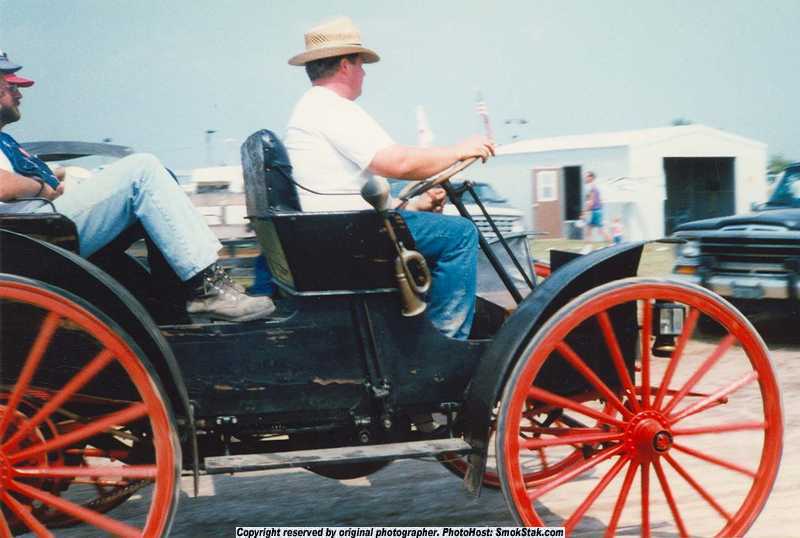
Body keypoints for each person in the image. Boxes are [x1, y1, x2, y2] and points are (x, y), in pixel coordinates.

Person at [0, 50, 274, 322]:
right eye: (11, 84)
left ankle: (175, 298)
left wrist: (57, 175)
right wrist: (41, 188)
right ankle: (206, 288)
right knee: (142, 171)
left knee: (157, 175)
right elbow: (4, 185)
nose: (20, 93)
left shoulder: (5, 140)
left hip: (39, 228)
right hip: (32, 238)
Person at [284, 17, 495, 340]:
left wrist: (419, 200)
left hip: (334, 229)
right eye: (361, 64)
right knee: (461, 235)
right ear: (345, 65)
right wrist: (458, 151)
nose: (364, 72)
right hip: (351, 232)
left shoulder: (311, 108)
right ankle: (446, 342)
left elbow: (358, 184)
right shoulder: (332, 109)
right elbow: (398, 162)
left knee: (434, 226)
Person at [582, 171, 610, 243]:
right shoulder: (594, 187)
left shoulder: (592, 187)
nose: (585, 178)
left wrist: (584, 212)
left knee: (600, 230)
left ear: (591, 177)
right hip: (596, 210)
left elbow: (591, 202)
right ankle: (587, 245)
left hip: (595, 211)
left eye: (586, 176)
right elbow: (599, 200)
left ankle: (612, 243)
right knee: (589, 228)